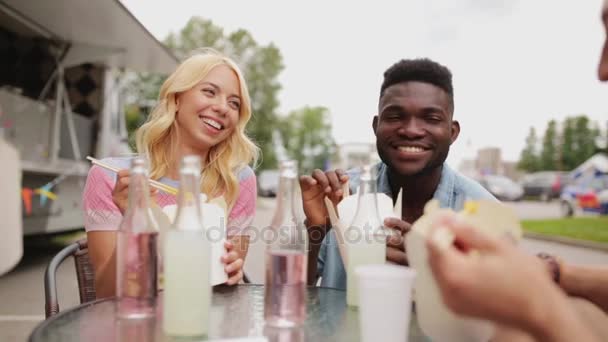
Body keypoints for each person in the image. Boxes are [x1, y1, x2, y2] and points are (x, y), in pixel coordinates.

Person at [427, 3, 608, 340]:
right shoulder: (346, 192)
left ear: (454, 131)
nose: (601, 69)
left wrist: (538, 305)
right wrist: (552, 273)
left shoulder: (483, 205)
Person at [300, 58, 496, 288]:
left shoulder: (484, 214)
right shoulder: (341, 196)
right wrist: (316, 235)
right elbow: (293, 298)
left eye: (431, 119)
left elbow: (502, 317)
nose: (411, 130)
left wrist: (434, 273)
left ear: (452, 132)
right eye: (395, 117)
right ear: (376, 126)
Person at [83, 49, 259, 298]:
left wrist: (231, 276)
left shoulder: (237, 182)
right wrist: (132, 219)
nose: (222, 108)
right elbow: (105, 294)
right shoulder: (112, 176)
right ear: (177, 98)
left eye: (234, 103)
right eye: (209, 91)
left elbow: (222, 290)